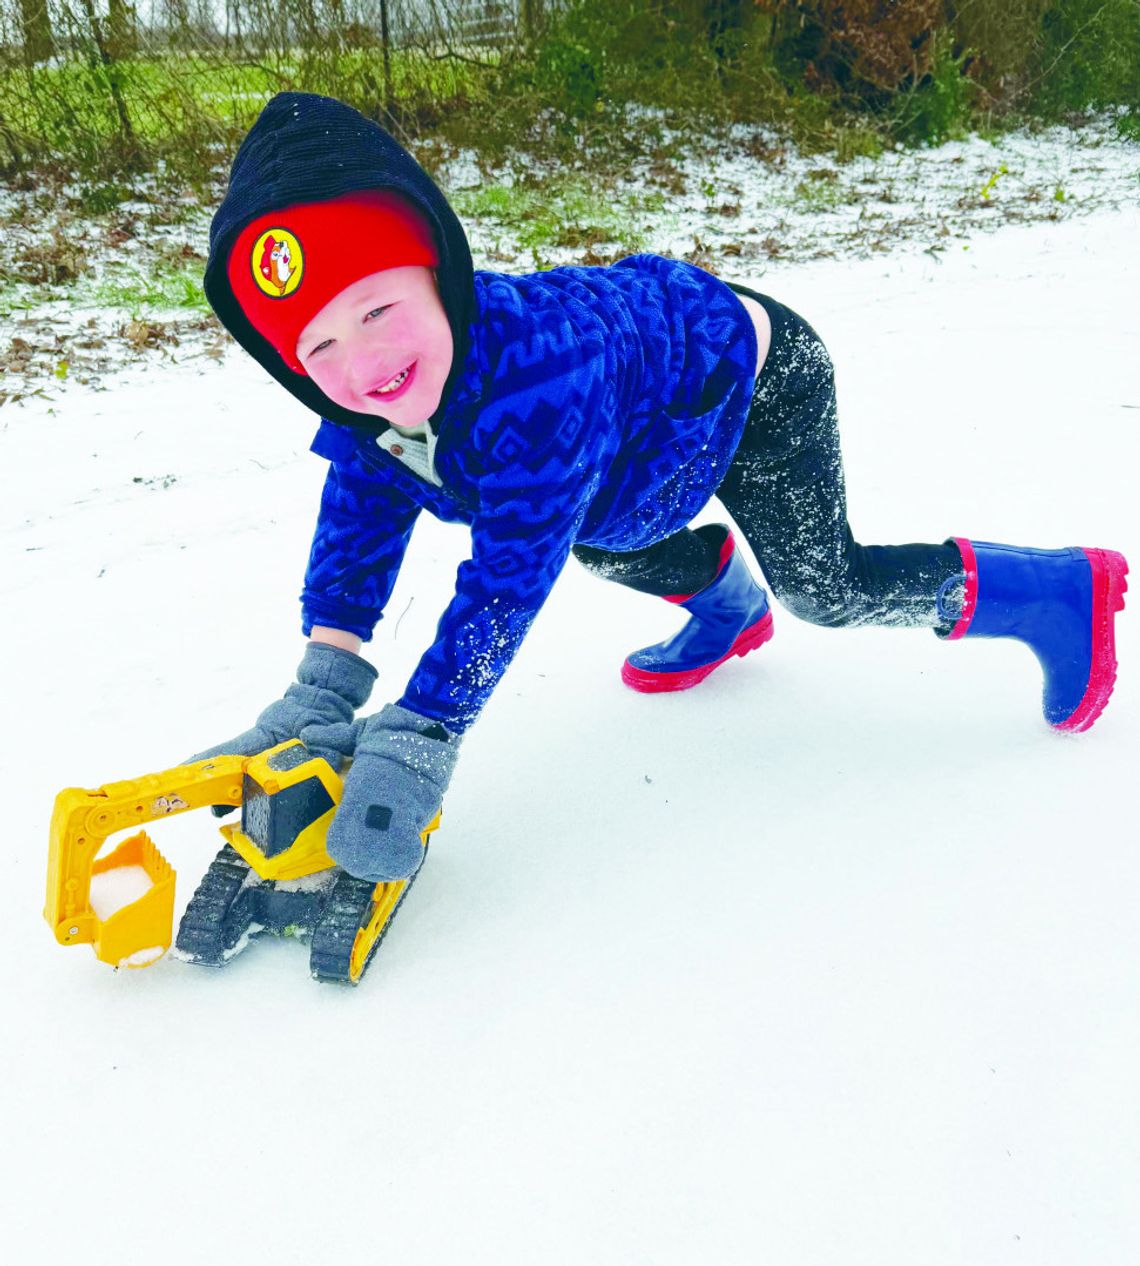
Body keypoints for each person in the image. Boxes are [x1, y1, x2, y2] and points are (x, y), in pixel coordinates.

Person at [193, 92, 1129, 884]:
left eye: (377, 310)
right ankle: (729, 613)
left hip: (750, 379)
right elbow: (360, 516)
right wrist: (324, 681)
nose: (362, 364)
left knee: (826, 589)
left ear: (441, 275)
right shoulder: (370, 407)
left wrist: (422, 732)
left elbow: (506, 582)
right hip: (640, 443)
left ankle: (1056, 592)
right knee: (604, 534)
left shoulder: (538, 381)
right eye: (318, 346)